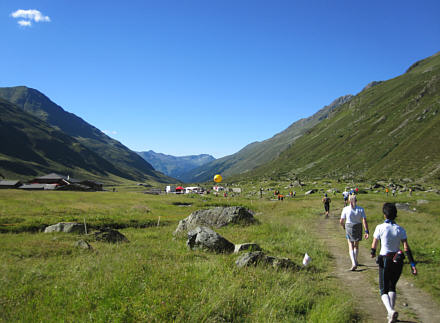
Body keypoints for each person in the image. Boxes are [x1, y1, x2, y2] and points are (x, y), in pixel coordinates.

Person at [371, 203, 417, 323]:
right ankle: (390, 315)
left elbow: (374, 244)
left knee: (383, 289)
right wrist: (412, 264)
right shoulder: (400, 229)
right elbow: (406, 248)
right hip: (398, 260)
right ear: (395, 214)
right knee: (392, 287)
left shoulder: (380, 227)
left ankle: (390, 311)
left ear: (384, 214)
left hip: (385, 259)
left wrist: (372, 253)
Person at [340, 194, 369, 271]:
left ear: (349, 201)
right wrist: (366, 230)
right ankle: (355, 260)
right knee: (356, 245)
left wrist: (343, 226)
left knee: (350, 244)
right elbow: (364, 220)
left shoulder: (345, 209)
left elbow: (341, 220)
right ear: (356, 200)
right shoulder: (361, 209)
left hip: (349, 226)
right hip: (358, 226)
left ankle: (353, 263)